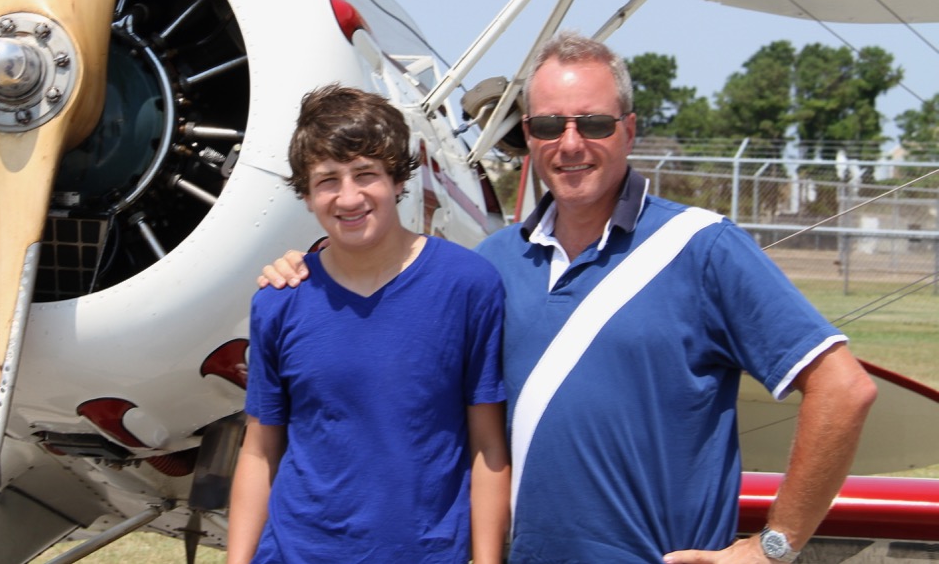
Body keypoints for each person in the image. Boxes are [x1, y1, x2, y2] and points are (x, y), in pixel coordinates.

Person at [259, 33, 877, 564]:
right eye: (550, 125)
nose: (571, 143)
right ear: (528, 135)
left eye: (595, 123)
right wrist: (307, 267)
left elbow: (844, 388)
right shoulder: (493, 264)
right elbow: (389, 311)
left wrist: (774, 545)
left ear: (630, 131)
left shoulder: (703, 246)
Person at [228, 84, 510, 564]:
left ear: (398, 179)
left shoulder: (469, 286)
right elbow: (260, 447)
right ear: (307, 194)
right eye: (327, 180)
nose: (349, 197)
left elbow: (488, 445)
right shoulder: (279, 301)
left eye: (366, 174)